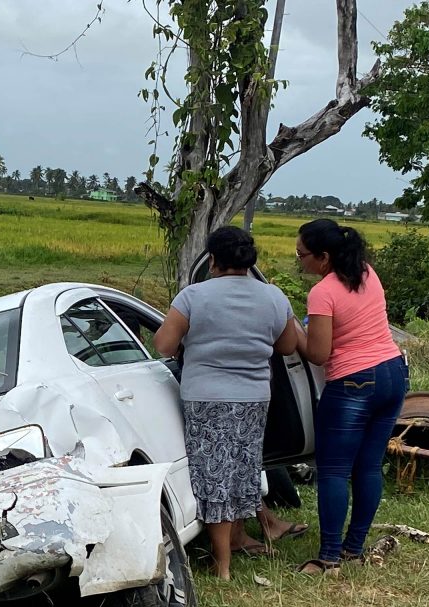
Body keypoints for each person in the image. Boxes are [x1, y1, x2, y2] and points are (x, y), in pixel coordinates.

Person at [154, 226, 298, 580]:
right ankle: (236, 542)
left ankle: (223, 566)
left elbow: (164, 346)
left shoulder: (193, 297)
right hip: (253, 399)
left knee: (214, 476)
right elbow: (288, 346)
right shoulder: (274, 297)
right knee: (243, 471)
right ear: (250, 260)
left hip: (207, 399)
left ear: (213, 259)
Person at [293, 219, 407, 576]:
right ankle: (354, 549)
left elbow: (319, 354)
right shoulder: (366, 273)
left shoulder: (322, 292)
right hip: (392, 372)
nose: (299, 261)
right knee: (369, 466)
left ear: (323, 257)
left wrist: (294, 331)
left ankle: (328, 557)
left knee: (334, 470)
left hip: (353, 382)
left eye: (302, 255)